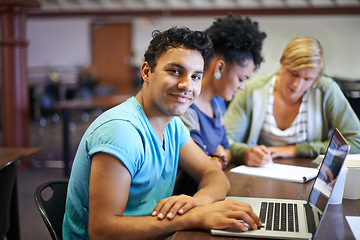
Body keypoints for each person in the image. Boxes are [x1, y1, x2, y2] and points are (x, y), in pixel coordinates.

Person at [62, 26, 262, 240]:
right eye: (175, 71)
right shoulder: (121, 132)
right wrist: (192, 216)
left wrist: (199, 201)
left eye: (196, 76)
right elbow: (103, 231)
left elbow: (213, 174)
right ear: (147, 71)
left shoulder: (172, 124)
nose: (187, 85)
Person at [224, 36, 360, 167]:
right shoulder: (252, 89)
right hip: (261, 172)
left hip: (308, 175)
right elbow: (226, 140)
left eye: (308, 79)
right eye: (294, 73)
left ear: (317, 77)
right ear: (282, 63)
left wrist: (295, 150)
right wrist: (245, 153)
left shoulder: (327, 90)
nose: (297, 84)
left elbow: (356, 142)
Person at [174, 14, 266, 195]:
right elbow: (201, 165)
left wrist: (218, 157)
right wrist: (219, 157)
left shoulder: (216, 104)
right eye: (241, 78)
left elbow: (227, 149)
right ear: (220, 68)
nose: (242, 87)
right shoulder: (185, 106)